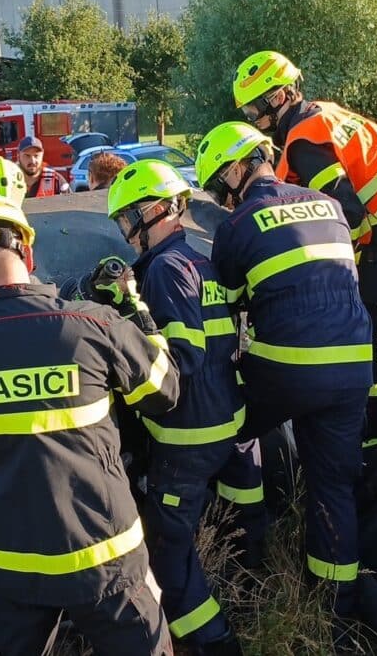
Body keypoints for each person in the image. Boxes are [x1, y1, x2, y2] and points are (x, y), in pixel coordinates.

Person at [0, 189, 179, 655]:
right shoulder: (95, 324)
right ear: (29, 252)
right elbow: (163, 392)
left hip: (10, 562)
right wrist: (136, 313)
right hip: (103, 555)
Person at [195, 121, 372, 633]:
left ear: (235, 169)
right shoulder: (329, 204)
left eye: (218, 185)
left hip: (288, 367)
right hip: (353, 364)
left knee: (230, 427)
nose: (220, 197)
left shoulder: (235, 225)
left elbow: (223, 316)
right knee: (332, 483)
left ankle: (245, 557)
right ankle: (335, 614)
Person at [233, 51, 377, 449]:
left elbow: (340, 211)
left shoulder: (305, 139)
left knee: (371, 320)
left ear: (279, 98)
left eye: (254, 109)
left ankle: (376, 431)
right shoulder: (319, 115)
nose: (253, 120)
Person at [100, 160, 248, 654]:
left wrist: (130, 310)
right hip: (222, 423)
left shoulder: (163, 270)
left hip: (187, 437)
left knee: (168, 555)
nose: (126, 233)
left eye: (127, 219)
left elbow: (182, 357)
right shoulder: (196, 260)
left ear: (156, 210)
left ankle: (212, 643)